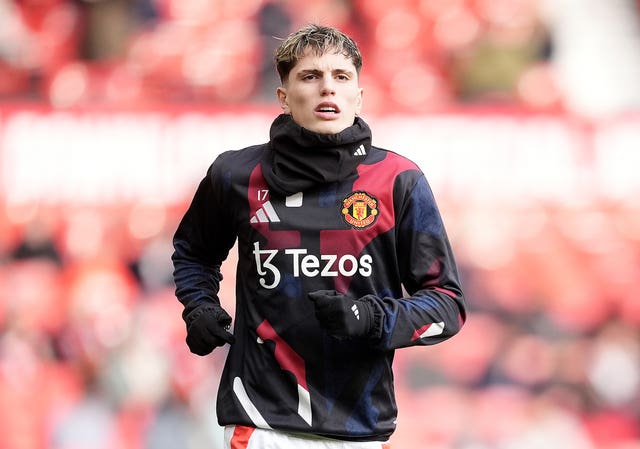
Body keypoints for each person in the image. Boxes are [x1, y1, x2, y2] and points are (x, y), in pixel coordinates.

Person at [171, 24, 466, 449]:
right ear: (284, 96)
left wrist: (370, 318)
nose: (328, 88)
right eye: (310, 76)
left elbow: (447, 305)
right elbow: (194, 252)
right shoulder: (235, 175)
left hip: (359, 429)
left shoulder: (399, 181)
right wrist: (199, 306)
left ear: (359, 96)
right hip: (260, 424)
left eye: (341, 77)